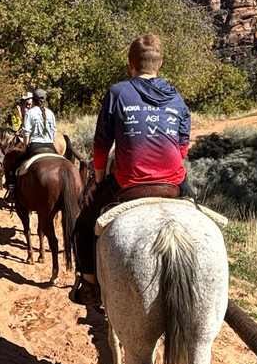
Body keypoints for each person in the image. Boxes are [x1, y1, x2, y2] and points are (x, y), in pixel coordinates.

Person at [69, 34, 195, 308]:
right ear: (159, 64)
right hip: (173, 181)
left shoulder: (118, 93)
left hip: (128, 182)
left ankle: (89, 285)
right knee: (199, 217)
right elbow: (183, 148)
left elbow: (101, 145)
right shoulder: (176, 97)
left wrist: (99, 182)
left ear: (131, 65)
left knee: (84, 225)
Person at [6, 88, 58, 199]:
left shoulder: (30, 113)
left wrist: (25, 148)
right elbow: (53, 132)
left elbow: (26, 133)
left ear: (33, 100)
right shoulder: (50, 113)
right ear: (45, 100)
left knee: (16, 164)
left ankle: (13, 191)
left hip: (35, 146)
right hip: (51, 146)